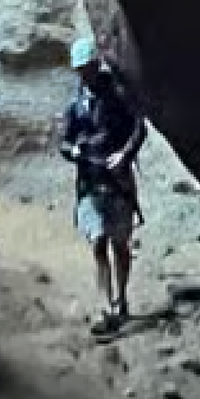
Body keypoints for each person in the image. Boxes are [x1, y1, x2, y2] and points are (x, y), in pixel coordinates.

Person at [60, 32, 147, 333]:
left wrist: (124, 154)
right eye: (80, 69)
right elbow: (64, 140)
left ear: (97, 65)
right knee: (98, 242)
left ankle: (120, 301)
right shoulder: (76, 105)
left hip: (117, 178)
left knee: (119, 243)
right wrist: (72, 151)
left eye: (88, 67)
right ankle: (103, 306)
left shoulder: (118, 96)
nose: (84, 74)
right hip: (90, 181)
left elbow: (139, 127)